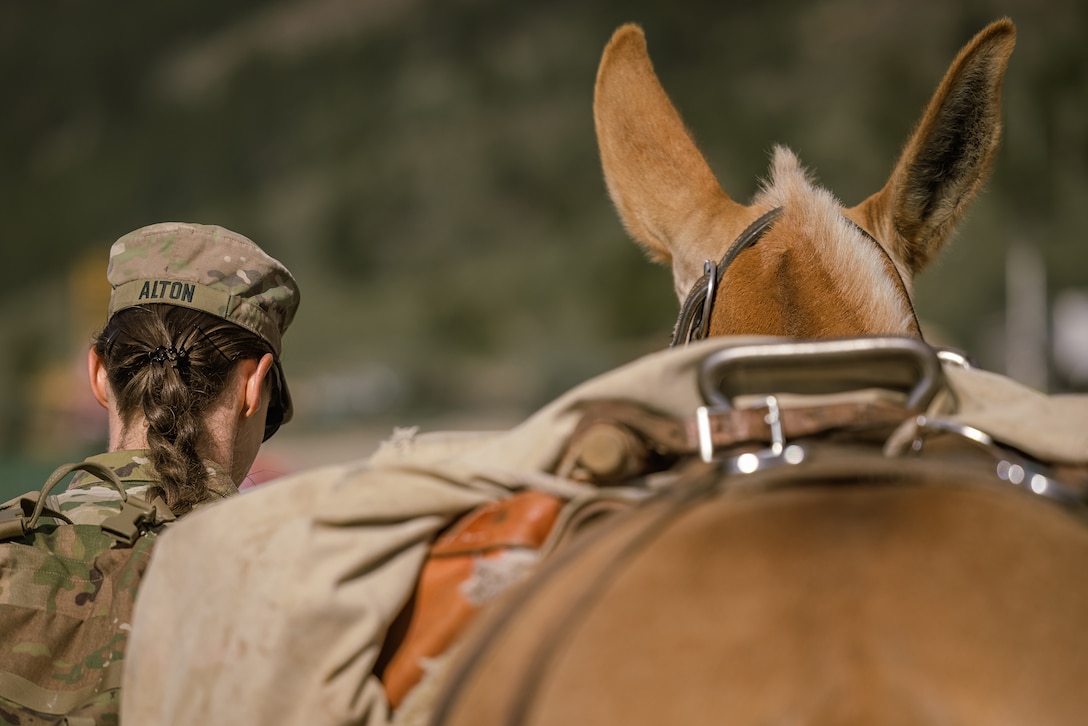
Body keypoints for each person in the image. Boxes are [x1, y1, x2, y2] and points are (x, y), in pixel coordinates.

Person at [54, 220, 300, 522]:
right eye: (272, 413)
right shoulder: (279, 562)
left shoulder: (14, 544)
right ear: (251, 385)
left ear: (99, 374)